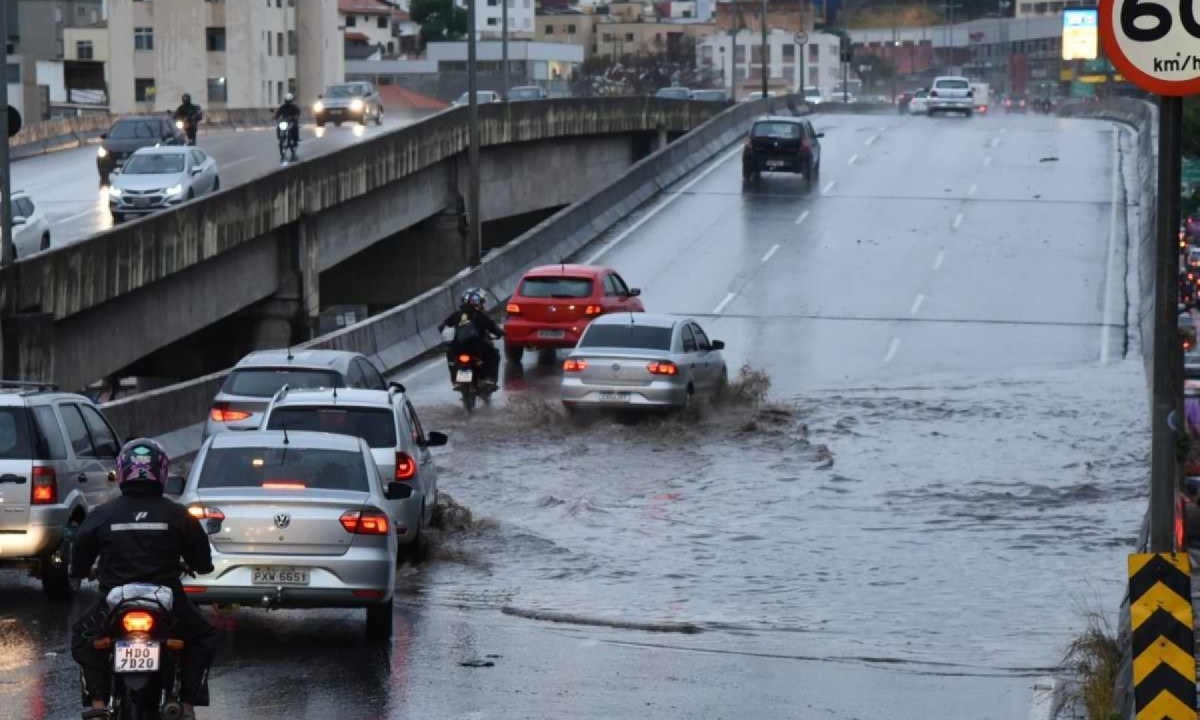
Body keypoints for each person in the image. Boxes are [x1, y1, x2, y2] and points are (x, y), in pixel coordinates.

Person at [70, 438, 216, 720]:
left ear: (123, 471)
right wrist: (199, 566)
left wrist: (79, 571)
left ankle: (98, 702)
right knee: (203, 636)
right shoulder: (178, 515)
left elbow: (79, 557)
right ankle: (186, 702)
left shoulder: (102, 514)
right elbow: (202, 562)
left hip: (113, 602)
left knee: (84, 636)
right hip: (167, 602)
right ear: (161, 471)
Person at [439, 289, 503, 386]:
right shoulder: (480, 315)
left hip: (458, 347)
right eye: (481, 302)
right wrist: (500, 333)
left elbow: (442, 326)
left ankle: (455, 380)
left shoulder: (456, 315)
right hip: (476, 347)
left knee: (451, 356)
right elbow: (492, 327)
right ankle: (489, 379)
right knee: (495, 355)